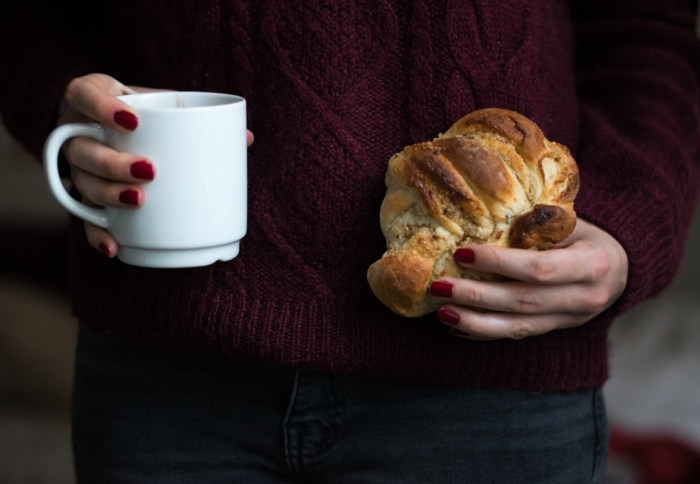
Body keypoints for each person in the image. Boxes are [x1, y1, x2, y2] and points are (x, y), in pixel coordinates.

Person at [1, 0, 699, 482]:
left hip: (493, 382)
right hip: (168, 378)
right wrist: (68, 113)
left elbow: (645, 25)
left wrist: (633, 218)